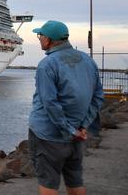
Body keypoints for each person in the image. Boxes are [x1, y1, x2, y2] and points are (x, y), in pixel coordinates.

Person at [28, 20, 104, 195]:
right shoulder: (87, 60)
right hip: (77, 136)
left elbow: (50, 104)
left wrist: (69, 130)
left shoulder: (47, 65)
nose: (39, 39)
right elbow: (98, 96)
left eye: (40, 35)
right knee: (75, 181)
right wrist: (83, 126)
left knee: (48, 184)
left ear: (48, 39)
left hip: (47, 136)